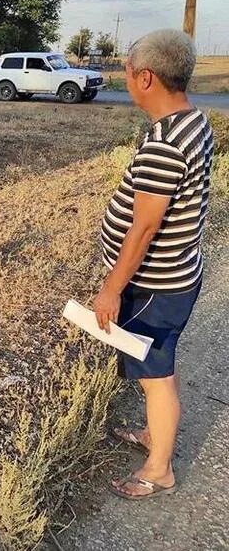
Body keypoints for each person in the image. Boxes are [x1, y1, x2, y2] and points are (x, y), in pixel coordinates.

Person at [94, 29, 214, 500]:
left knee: (156, 374)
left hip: (156, 284)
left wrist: (112, 287)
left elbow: (143, 229)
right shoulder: (193, 120)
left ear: (145, 77)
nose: (123, 79)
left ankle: (159, 467)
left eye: (125, 70)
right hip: (179, 272)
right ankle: (154, 435)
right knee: (157, 367)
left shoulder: (165, 144)